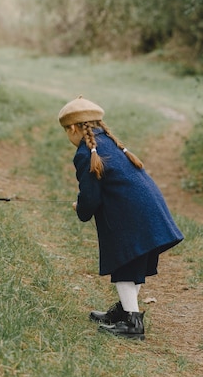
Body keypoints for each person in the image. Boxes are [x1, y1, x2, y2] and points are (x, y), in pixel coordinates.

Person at [58, 95, 184, 340]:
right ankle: (126, 311)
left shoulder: (85, 153)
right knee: (132, 263)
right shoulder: (110, 143)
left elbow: (91, 198)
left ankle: (133, 325)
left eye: (66, 131)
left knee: (125, 267)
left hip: (131, 217)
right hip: (149, 211)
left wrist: (80, 209)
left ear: (72, 128)